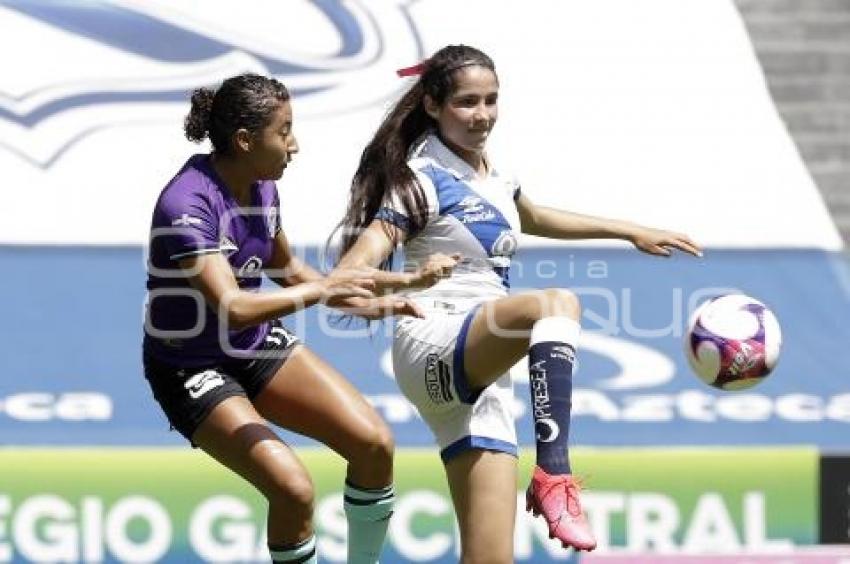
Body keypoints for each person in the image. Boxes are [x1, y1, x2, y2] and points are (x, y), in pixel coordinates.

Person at [331, 45, 702, 562]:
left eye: (491, 100)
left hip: (480, 368)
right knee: (554, 304)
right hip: (436, 338)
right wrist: (411, 282)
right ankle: (554, 473)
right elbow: (347, 277)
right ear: (433, 106)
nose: (482, 115)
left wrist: (629, 230)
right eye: (466, 102)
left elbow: (534, 216)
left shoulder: (491, 174)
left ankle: (550, 475)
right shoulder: (421, 179)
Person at [143, 73, 418, 564]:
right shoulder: (185, 203)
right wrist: (327, 287)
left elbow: (290, 271)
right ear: (245, 140)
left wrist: (380, 301)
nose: (296, 145)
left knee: (375, 444)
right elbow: (234, 304)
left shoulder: (261, 185)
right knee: (293, 489)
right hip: (191, 366)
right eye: (284, 131)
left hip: (252, 344)